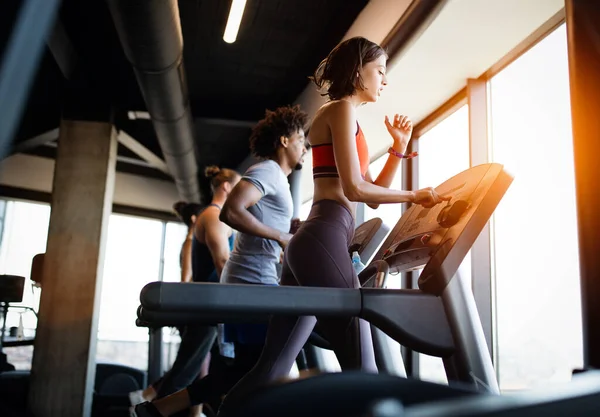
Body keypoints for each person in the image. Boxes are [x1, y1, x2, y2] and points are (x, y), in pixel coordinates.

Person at [217, 36, 449, 415]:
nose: (384, 81)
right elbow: (356, 189)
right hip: (324, 234)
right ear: (359, 71)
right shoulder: (340, 110)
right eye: (380, 71)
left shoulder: (348, 119)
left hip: (317, 240)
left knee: (273, 367)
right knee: (364, 367)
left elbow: (371, 193)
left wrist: (398, 148)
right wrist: (414, 196)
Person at [131, 105, 308, 417]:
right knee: (265, 365)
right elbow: (231, 211)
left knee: (250, 367)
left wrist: (284, 232)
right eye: (301, 138)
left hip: (253, 282)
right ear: (284, 140)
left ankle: (158, 409)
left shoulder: (276, 178)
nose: (304, 145)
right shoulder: (268, 171)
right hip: (252, 284)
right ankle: (161, 408)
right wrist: (279, 237)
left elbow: (253, 220)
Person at [131, 167, 241, 417]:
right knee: (185, 373)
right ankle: (150, 409)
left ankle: (174, 410)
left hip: (214, 306)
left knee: (208, 371)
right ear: (226, 187)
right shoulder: (213, 217)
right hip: (209, 305)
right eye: (238, 186)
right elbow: (223, 263)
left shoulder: (218, 218)